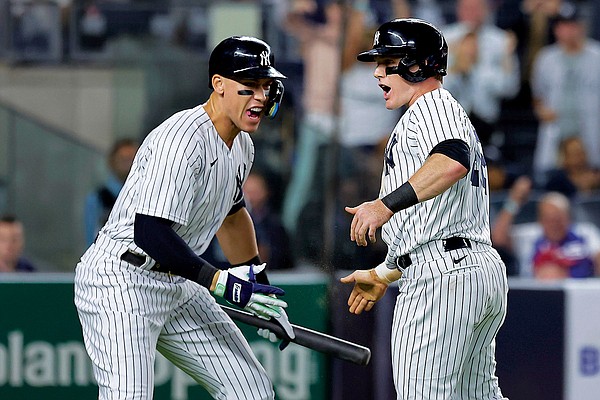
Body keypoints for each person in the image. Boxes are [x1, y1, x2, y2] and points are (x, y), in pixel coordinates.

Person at [74, 36, 295, 400]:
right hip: (124, 279)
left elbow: (233, 216)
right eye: (249, 86)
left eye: (266, 86)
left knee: (251, 391)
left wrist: (258, 285)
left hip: (179, 280)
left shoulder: (242, 144)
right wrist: (221, 283)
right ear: (219, 85)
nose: (260, 96)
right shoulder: (183, 139)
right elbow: (149, 232)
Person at [340, 19, 509, 399]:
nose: (378, 72)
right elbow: (431, 220)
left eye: (388, 62)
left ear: (417, 65)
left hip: (443, 278)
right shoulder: (436, 111)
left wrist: (384, 205)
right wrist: (385, 273)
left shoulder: (430, 107)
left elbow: (452, 160)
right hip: (469, 267)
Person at [531, 2, 600, 180]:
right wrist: (541, 110)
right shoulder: (546, 59)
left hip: (591, 134)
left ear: (581, 27)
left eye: (572, 25)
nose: (568, 31)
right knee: (551, 179)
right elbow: (538, 95)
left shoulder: (597, 56)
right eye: (562, 26)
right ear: (556, 29)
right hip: (557, 134)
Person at [442, 0, 520, 150]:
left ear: (486, 10)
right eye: (467, 8)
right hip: (450, 126)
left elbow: (511, 88)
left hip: (487, 124)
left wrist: (476, 71)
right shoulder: (443, 37)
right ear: (459, 9)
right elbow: (434, 86)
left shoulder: (502, 40)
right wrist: (457, 69)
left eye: (477, 8)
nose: (472, 13)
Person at [492, 189, 600, 280]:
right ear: (540, 220)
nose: (554, 225)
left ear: (569, 218)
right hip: (536, 295)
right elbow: (498, 238)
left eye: (558, 219)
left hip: (580, 294)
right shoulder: (530, 235)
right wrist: (514, 202)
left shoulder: (586, 232)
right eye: (549, 219)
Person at [84, 138, 138, 245]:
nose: (128, 164)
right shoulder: (97, 198)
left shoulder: (144, 196)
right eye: (124, 159)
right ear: (112, 162)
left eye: (132, 159)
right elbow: (91, 238)